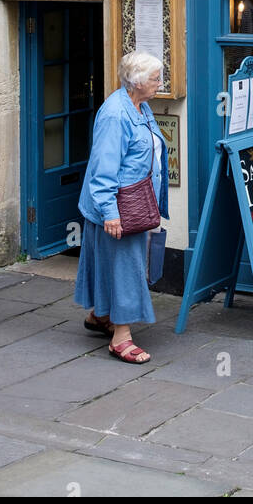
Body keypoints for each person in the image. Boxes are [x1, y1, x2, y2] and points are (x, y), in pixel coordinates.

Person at [75, 50, 169, 364]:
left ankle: (101, 316)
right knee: (127, 269)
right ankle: (121, 337)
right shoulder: (115, 114)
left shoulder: (139, 106)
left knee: (110, 262)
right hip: (120, 204)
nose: (160, 83)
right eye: (156, 78)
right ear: (138, 82)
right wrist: (110, 212)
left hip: (134, 200)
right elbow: (103, 167)